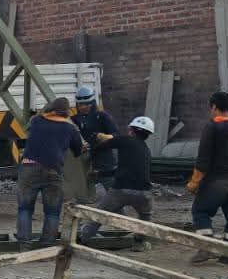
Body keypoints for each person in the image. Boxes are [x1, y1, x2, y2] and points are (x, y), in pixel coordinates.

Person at [189, 91, 228, 264]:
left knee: (200, 211)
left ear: (214, 107)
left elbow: (203, 159)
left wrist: (194, 183)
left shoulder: (213, 126)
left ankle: (206, 248)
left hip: (216, 180)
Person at [17, 97, 85, 250]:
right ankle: (46, 247)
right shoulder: (70, 128)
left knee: (25, 209)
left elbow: (34, 124)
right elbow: (78, 151)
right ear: (67, 112)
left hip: (29, 168)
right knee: (52, 212)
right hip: (53, 171)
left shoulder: (36, 121)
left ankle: (24, 247)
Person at [78, 116, 156, 246]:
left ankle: (83, 238)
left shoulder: (125, 140)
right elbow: (128, 170)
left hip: (121, 190)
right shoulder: (146, 150)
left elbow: (104, 145)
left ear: (131, 130)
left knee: (99, 215)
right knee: (145, 217)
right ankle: (140, 242)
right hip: (144, 192)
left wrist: (91, 145)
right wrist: (102, 173)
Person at [72, 85, 119, 200]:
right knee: (84, 186)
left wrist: (105, 136)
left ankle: (117, 206)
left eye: (86, 104)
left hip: (104, 157)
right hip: (85, 156)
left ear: (92, 103)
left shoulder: (102, 116)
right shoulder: (75, 120)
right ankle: (87, 203)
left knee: (109, 185)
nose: (83, 107)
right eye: (80, 104)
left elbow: (116, 135)